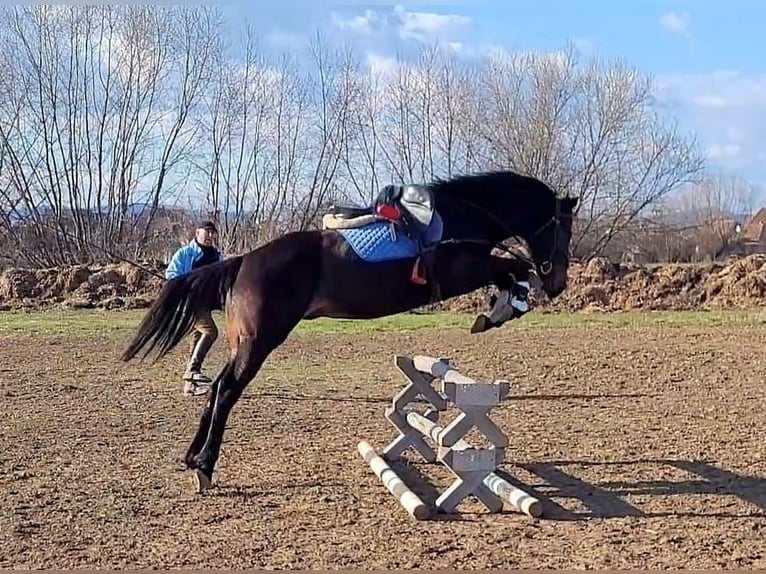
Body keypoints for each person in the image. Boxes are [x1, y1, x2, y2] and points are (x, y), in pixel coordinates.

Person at [165, 220, 224, 396]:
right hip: (188, 303)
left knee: (197, 338)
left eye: (213, 233)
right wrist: (187, 285)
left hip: (205, 304)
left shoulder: (217, 257)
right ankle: (192, 370)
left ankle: (190, 386)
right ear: (197, 233)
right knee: (210, 331)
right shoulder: (185, 254)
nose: (211, 236)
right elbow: (171, 275)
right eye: (207, 232)